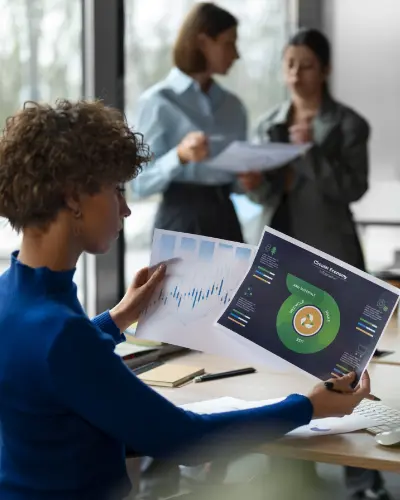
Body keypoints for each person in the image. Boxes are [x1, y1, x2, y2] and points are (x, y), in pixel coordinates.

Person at [0, 99, 371, 500]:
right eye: (116, 190)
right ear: (73, 198)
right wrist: (309, 407)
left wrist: (118, 318)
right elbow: (185, 440)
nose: (125, 209)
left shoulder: (14, 296)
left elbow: (51, 362)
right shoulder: (62, 334)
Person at [241, 28, 390, 500]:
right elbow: (266, 193)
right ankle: (293, 471)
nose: (295, 73)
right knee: (282, 357)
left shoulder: (349, 124)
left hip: (333, 254)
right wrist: (252, 182)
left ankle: (361, 479)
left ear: (324, 69)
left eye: (305, 64)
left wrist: (310, 152)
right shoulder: (269, 123)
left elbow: (352, 188)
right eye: (289, 64)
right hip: (281, 255)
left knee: (345, 362)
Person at [131, 2, 247, 242]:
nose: (236, 54)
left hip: (226, 218)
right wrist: (180, 156)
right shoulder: (158, 102)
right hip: (180, 220)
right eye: (229, 43)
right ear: (203, 42)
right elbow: (139, 184)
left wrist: (249, 182)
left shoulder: (234, 107)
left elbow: (238, 183)